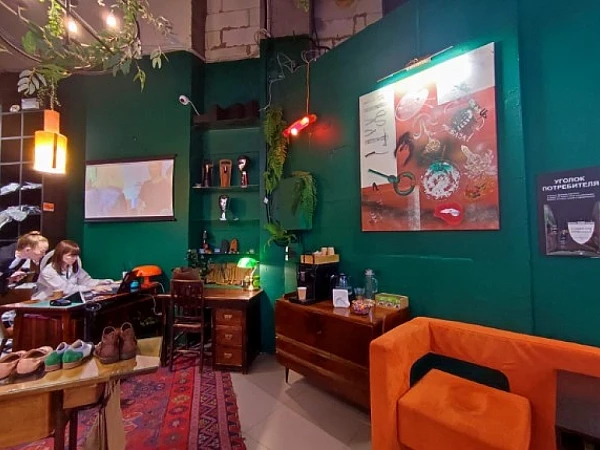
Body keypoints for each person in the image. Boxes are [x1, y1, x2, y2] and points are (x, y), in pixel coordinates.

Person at [0, 231, 49, 330]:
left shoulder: (22, 254)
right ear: (27, 250)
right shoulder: (4, 257)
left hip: (3, 288)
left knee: (30, 298)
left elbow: (4, 271)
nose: (43, 255)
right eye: (41, 252)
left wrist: (11, 275)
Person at [35, 240, 114, 301]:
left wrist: (102, 282)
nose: (74, 258)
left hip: (66, 301)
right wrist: (93, 288)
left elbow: (86, 281)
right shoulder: (49, 271)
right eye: (71, 256)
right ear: (60, 254)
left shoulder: (73, 267)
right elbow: (65, 289)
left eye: (76, 256)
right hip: (44, 302)